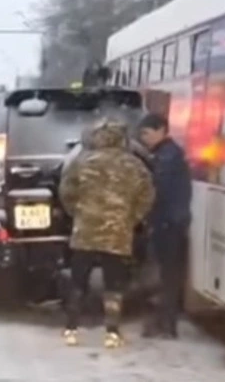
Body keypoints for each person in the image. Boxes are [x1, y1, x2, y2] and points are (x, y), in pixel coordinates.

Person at [59, 119, 155, 349]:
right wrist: (131, 219)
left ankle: (71, 329)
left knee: (78, 281)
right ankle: (112, 333)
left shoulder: (81, 162)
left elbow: (66, 192)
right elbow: (147, 196)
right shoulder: (134, 165)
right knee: (114, 284)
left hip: (85, 231)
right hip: (117, 233)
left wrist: (78, 214)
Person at [138, 113, 193, 339]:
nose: (144, 139)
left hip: (168, 225)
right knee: (167, 276)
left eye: (146, 133)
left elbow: (157, 192)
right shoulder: (166, 154)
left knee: (166, 276)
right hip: (170, 223)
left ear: (161, 130)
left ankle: (166, 324)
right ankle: (164, 323)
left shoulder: (167, 157)